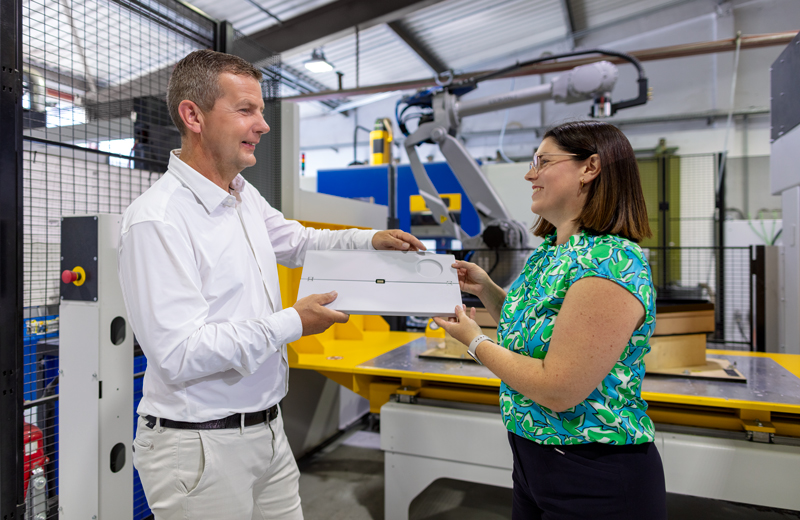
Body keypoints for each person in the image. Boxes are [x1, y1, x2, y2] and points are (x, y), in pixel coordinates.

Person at [118, 49, 424, 520]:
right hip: (200, 447)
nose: (262, 125)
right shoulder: (157, 220)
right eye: (246, 110)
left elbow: (299, 241)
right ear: (193, 115)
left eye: (260, 111)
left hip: (267, 432)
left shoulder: (242, 196)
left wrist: (372, 240)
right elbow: (179, 353)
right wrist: (293, 322)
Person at [434, 120, 667, 519]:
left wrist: (475, 341)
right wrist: (486, 288)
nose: (529, 173)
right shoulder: (552, 252)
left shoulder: (609, 262)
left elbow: (559, 388)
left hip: (594, 474)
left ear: (590, 168)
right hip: (533, 460)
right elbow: (535, 325)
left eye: (542, 161)